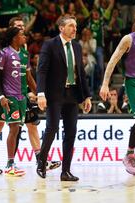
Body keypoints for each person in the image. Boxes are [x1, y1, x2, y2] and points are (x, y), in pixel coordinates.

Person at [0, 17, 61, 175]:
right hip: (7, 95)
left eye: (23, 27)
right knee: (1, 127)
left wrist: (40, 93)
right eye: (19, 28)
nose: (23, 30)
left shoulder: (24, 52)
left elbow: (29, 77)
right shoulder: (2, 51)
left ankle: (41, 160)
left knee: (31, 126)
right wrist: (1, 95)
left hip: (22, 96)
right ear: (12, 31)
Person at [99, 10, 135, 176]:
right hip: (134, 82)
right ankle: (128, 155)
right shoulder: (129, 39)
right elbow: (113, 60)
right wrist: (105, 84)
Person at [36, 15, 92, 181]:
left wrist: (87, 96)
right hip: (54, 94)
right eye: (71, 26)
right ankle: (42, 162)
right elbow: (42, 70)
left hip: (72, 94)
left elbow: (81, 73)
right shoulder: (50, 44)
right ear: (61, 28)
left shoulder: (76, 46)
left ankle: (65, 171)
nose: (75, 29)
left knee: (71, 133)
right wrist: (40, 93)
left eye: (75, 26)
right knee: (51, 129)